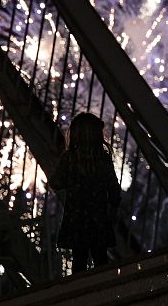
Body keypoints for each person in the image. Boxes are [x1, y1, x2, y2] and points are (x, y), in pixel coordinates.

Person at [50, 112, 121, 273]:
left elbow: (56, 183)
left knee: (79, 259)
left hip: (76, 216)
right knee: (101, 257)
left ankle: (80, 294)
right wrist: (114, 207)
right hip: (99, 215)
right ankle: (105, 292)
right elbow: (113, 187)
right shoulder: (103, 158)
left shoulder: (68, 159)